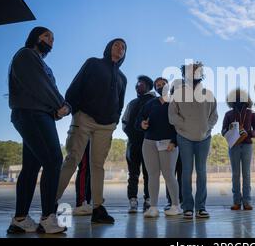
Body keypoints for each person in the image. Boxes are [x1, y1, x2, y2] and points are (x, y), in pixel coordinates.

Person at [55, 38, 127, 224]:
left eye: (123, 47)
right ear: (109, 47)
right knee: (72, 159)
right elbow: (76, 86)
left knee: (97, 166)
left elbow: (120, 103)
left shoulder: (122, 78)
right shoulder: (93, 63)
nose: (120, 48)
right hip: (84, 118)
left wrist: (115, 121)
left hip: (106, 126)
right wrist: (71, 107)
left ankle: (97, 208)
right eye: (117, 45)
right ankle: (51, 202)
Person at [7, 26, 69, 234]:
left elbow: (47, 89)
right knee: (53, 160)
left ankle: (20, 219)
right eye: (46, 36)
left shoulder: (42, 63)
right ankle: (48, 218)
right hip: (31, 114)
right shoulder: (26, 55)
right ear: (34, 37)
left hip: (39, 116)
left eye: (53, 38)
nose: (50, 40)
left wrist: (58, 109)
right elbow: (42, 86)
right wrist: (62, 104)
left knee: (31, 168)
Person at [168, 62, 218, 219]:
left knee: (202, 172)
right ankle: (188, 207)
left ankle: (201, 207)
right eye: (190, 70)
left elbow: (214, 116)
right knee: (186, 172)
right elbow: (172, 116)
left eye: (197, 70)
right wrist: (185, 126)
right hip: (184, 138)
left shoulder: (208, 94)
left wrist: (206, 128)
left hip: (204, 138)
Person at [137, 77, 182, 217]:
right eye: (157, 85)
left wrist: (174, 141)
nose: (160, 86)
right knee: (152, 176)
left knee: (169, 175)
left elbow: (180, 125)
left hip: (168, 143)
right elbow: (138, 120)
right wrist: (141, 124)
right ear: (154, 88)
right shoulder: (150, 103)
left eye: (163, 84)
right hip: (149, 143)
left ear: (168, 86)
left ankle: (176, 205)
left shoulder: (175, 103)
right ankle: (153, 207)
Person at [222, 89, 255, 211]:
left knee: (247, 174)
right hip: (234, 146)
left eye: (240, 97)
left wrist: (251, 133)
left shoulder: (251, 113)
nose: (238, 100)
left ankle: (247, 202)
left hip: (247, 145)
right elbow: (223, 130)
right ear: (231, 100)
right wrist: (229, 133)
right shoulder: (228, 114)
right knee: (236, 174)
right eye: (235, 98)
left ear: (246, 99)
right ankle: (237, 202)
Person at [122, 75, 156, 213]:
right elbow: (124, 123)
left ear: (148, 86)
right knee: (133, 174)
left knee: (149, 173)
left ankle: (148, 200)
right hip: (133, 145)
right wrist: (131, 136)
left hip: (149, 144)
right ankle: (133, 200)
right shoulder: (132, 103)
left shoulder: (154, 102)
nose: (138, 86)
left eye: (141, 84)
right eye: (137, 84)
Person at [72, 142, 92, 216]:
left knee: (90, 169)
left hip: (93, 136)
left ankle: (87, 201)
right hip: (84, 136)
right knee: (84, 167)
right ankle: (80, 203)